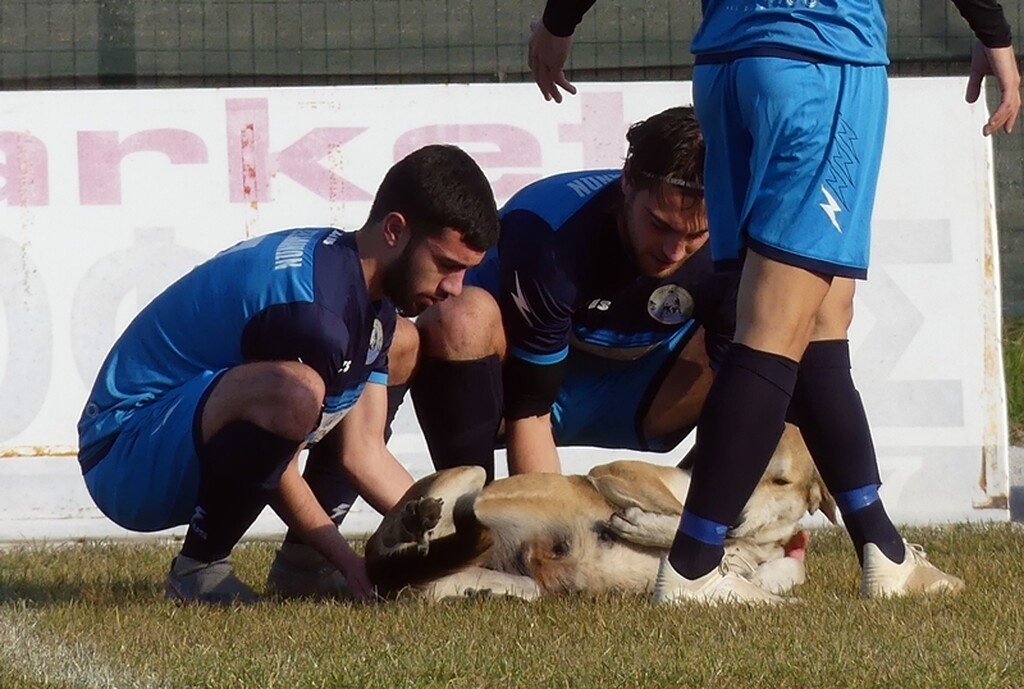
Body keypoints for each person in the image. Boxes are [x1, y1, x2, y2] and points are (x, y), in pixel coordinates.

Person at [527, 0, 1021, 604]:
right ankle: (694, 567)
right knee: (775, 325)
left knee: (820, 317)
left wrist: (559, 22)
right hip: (821, 59)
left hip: (726, 68)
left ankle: (883, 549)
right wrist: (992, 32)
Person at [76, 144, 499, 604]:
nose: (454, 288)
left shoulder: (357, 279)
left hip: (174, 427)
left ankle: (303, 566)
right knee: (296, 393)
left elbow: (363, 452)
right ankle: (199, 569)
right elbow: (280, 465)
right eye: (447, 265)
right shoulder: (315, 318)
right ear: (395, 230)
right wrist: (348, 560)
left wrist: (469, 547)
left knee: (399, 343)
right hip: (123, 454)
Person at [403, 106, 738, 481]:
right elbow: (530, 410)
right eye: (659, 225)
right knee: (460, 318)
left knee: (771, 342)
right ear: (627, 180)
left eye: (696, 234)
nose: (674, 251)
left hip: (642, 390)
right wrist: (545, 517)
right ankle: (469, 504)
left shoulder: (735, 237)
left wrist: (700, 511)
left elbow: (745, 403)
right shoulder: (550, 235)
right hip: (515, 389)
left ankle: (689, 504)